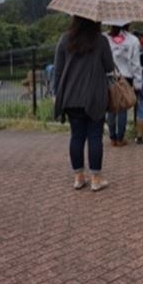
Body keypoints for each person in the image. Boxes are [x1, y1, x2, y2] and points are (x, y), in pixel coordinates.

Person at [53, 16, 115, 192]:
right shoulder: (101, 41)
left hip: (71, 96)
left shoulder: (65, 39)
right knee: (95, 136)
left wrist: (57, 94)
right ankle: (96, 179)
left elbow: (58, 70)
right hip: (94, 96)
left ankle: (79, 178)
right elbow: (109, 66)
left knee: (76, 136)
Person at [104, 22, 142, 147]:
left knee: (111, 107)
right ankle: (120, 138)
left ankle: (112, 138)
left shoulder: (105, 38)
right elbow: (135, 64)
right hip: (126, 77)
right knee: (122, 108)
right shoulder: (133, 40)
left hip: (109, 76)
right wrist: (138, 82)